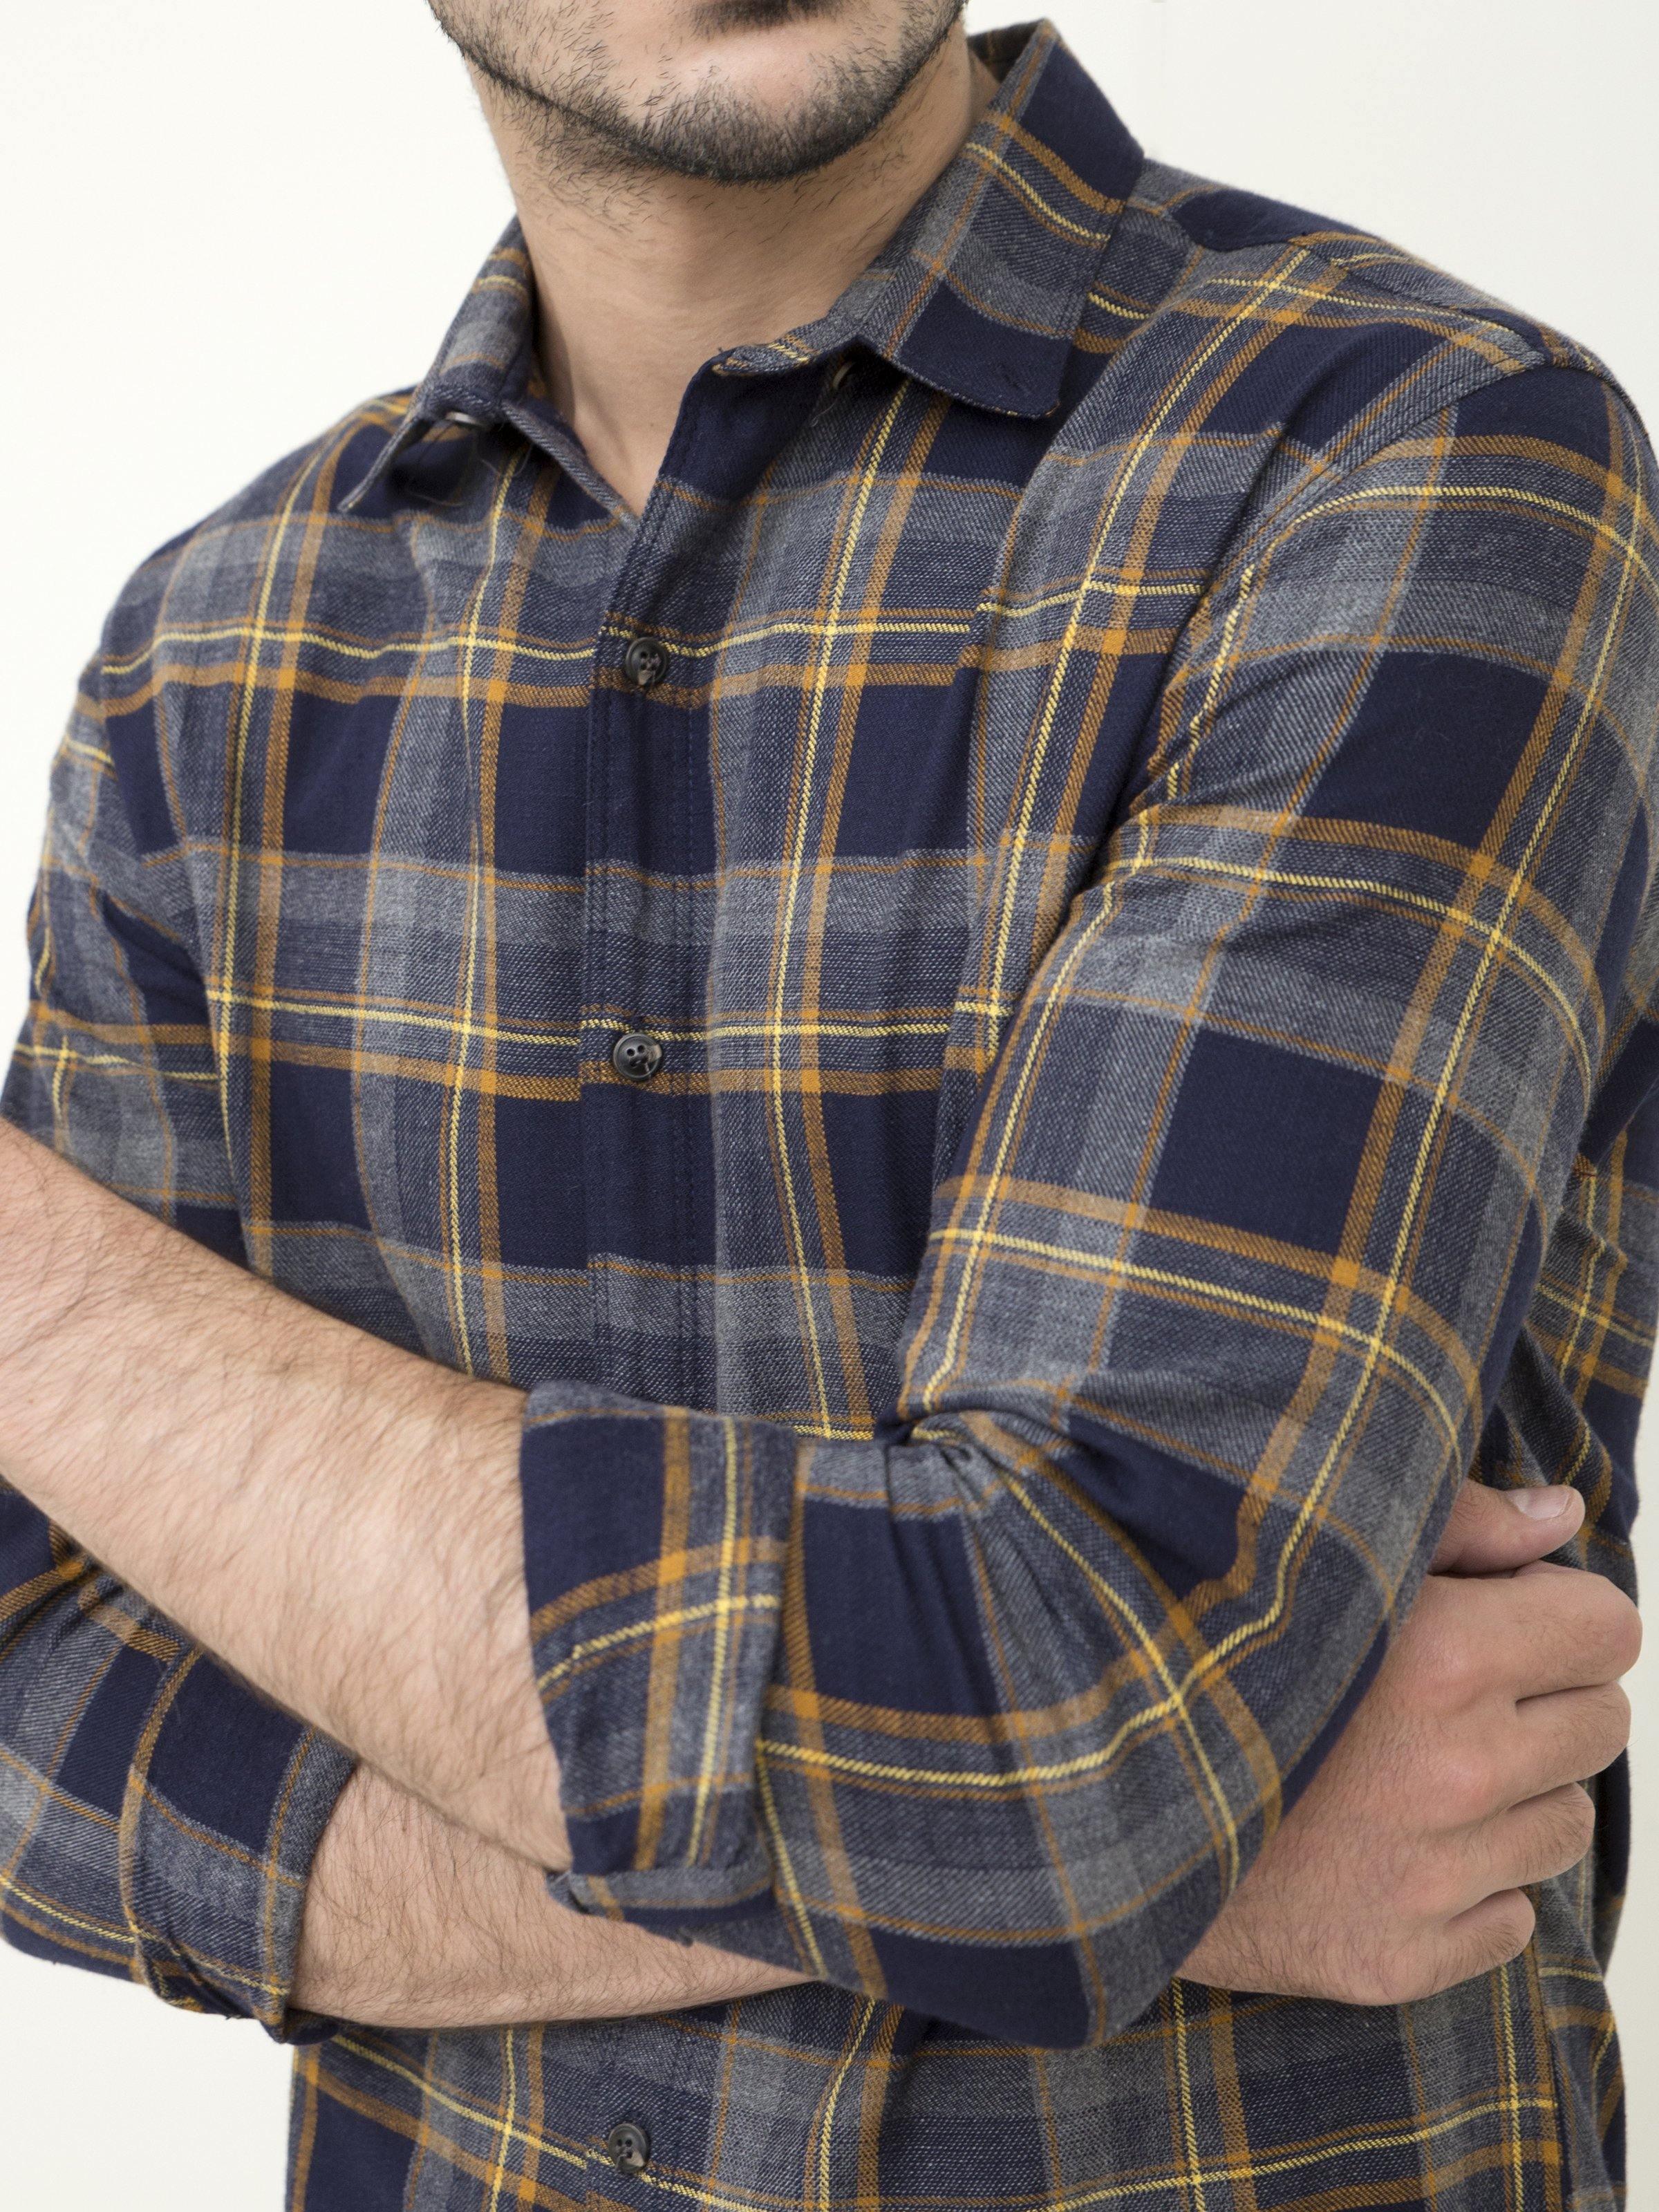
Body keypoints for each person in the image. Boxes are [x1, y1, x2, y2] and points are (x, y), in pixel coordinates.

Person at [0, 2, 1653, 2205]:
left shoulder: (1413, 460)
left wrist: (36, 1303)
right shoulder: (207, 656)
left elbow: (1057, 1755)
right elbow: (29, 1700)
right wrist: (1154, 1863)